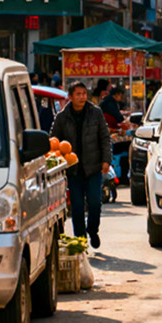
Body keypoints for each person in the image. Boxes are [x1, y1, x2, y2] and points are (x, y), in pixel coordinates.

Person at [51, 82, 112, 249]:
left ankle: (92, 230)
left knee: (94, 204)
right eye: (78, 94)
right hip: (73, 171)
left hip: (93, 168)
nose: (82, 97)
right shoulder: (62, 117)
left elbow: (105, 138)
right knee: (77, 207)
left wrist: (106, 160)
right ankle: (81, 241)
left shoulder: (96, 113)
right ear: (70, 96)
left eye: (84, 93)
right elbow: (53, 141)